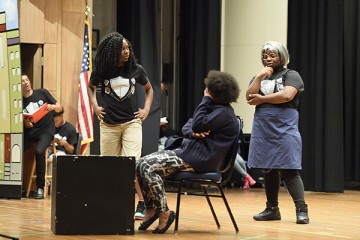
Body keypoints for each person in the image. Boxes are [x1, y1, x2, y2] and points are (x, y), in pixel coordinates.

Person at [136, 70, 240, 234]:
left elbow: (197, 123)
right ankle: (151, 209)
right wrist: (193, 133)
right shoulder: (213, 108)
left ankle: (163, 212)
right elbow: (189, 125)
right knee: (139, 164)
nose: (206, 91)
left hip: (200, 159)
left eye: (209, 89)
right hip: (189, 152)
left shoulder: (224, 113)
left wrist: (204, 101)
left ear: (215, 92)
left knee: (148, 167)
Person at [87, 32, 154, 220]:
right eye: (122, 49)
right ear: (113, 51)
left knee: (133, 164)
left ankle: (141, 203)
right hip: (108, 124)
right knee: (109, 166)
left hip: (131, 122)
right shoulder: (102, 69)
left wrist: (146, 110)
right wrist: (95, 106)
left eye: (127, 48)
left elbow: (149, 89)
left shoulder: (136, 69)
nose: (126, 52)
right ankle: (110, 203)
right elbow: (90, 87)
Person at [246, 41, 309, 224]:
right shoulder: (260, 76)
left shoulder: (291, 74)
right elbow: (250, 98)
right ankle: (271, 209)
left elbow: (287, 95)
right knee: (268, 168)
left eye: (272, 55)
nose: (268, 58)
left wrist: (263, 99)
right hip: (263, 126)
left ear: (281, 56)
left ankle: (301, 209)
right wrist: (258, 77)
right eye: (265, 55)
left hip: (284, 126)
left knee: (289, 168)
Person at [22, 74, 63, 199]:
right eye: (23, 81)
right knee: (15, 149)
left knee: (39, 151)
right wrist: (27, 122)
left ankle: (40, 187)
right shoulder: (21, 102)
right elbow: (28, 126)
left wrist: (52, 107)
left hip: (47, 131)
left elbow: (60, 107)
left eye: (27, 80)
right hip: (32, 131)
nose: (26, 83)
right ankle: (17, 186)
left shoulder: (42, 93)